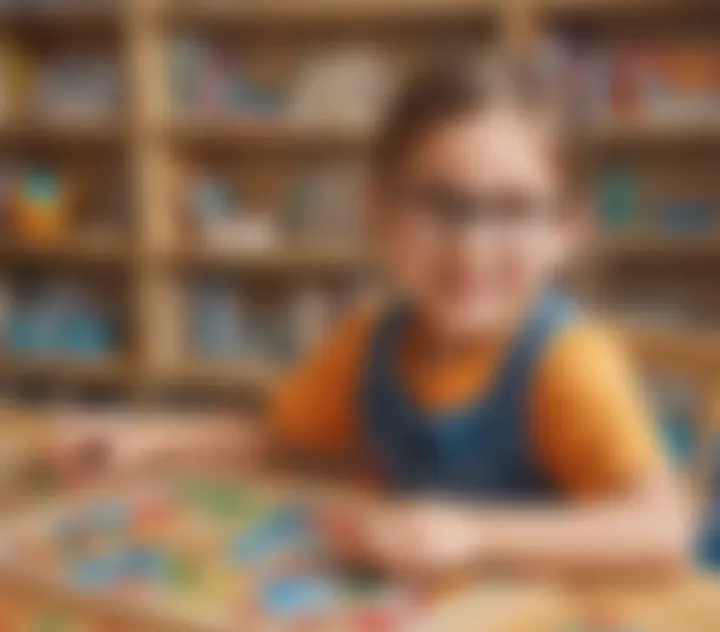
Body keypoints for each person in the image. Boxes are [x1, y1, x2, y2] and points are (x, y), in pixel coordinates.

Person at [50, 54, 688, 579]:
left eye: (515, 209)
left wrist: (475, 536)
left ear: (568, 229)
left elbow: (664, 531)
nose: (470, 247)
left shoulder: (569, 361)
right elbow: (278, 437)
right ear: (379, 212)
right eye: (440, 203)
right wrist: (149, 440)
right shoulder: (371, 340)